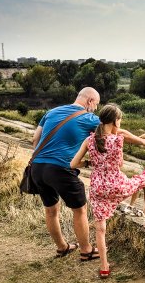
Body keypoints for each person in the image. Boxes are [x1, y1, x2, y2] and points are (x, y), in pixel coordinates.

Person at [70, 103, 145, 278]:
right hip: (117, 185)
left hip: (98, 188)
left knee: (100, 229)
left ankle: (104, 266)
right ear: (115, 121)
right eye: (120, 120)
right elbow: (120, 163)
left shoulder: (89, 140)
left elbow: (73, 164)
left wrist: (90, 163)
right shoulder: (117, 139)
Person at [31, 87, 102, 260]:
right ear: (90, 101)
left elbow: (35, 140)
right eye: (97, 105)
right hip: (61, 169)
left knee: (51, 210)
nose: (96, 109)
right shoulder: (90, 118)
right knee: (80, 209)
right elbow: (111, 132)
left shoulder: (50, 112)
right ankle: (86, 250)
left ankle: (62, 247)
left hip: (37, 167)